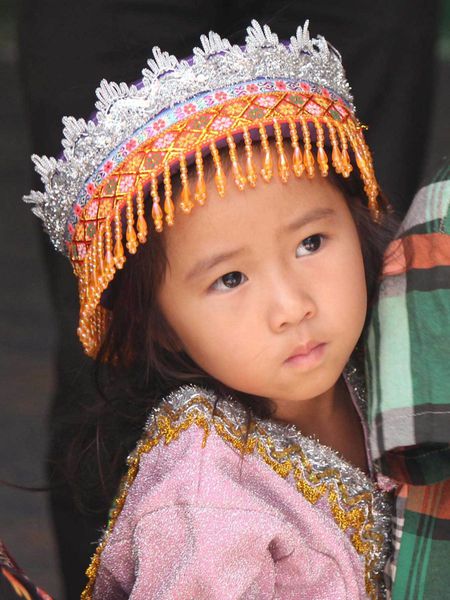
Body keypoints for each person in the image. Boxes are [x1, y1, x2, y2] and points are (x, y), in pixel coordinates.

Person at [24, 21, 398, 598]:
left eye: (311, 244)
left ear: (359, 217)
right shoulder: (199, 504)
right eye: (230, 279)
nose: (292, 307)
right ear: (161, 325)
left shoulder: (394, 361)